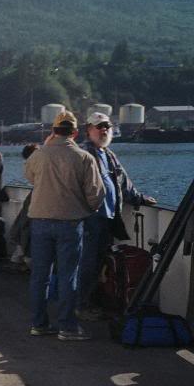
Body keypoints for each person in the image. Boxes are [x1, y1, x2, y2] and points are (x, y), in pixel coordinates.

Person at [24, 111, 104, 341]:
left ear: (53, 131)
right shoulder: (83, 157)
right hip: (70, 222)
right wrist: (88, 208)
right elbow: (96, 193)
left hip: (40, 221)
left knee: (40, 276)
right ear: (75, 133)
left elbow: (30, 177)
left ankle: (39, 324)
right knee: (68, 275)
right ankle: (67, 327)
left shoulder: (38, 155)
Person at [77, 112, 156, 320]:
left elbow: (124, 183)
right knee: (87, 263)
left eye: (107, 126)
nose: (104, 130)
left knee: (100, 262)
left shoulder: (109, 154)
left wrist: (140, 198)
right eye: (99, 126)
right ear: (89, 130)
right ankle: (81, 305)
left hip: (108, 218)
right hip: (89, 218)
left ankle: (94, 301)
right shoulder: (83, 153)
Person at [8, 144, 39, 269]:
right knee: (26, 225)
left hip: (34, 198)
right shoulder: (38, 165)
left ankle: (20, 254)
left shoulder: (29, 166)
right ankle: (26, 255)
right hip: (37, 198)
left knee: (24, 224)